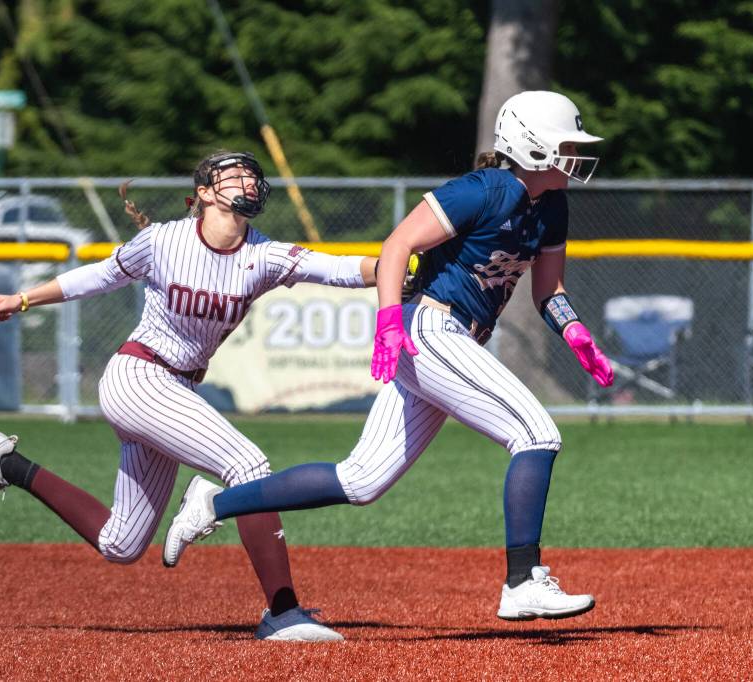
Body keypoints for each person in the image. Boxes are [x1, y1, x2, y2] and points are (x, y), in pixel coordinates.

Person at [164, 91, 615, 622]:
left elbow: (547, 291)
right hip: (429, 326)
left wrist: (575, 331)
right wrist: (387, 323)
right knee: (536, 434)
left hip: (456, 339)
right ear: (532, 146)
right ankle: (522, 581)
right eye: (564, 144)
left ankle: (211, 505)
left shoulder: (553, 206)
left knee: (359, 481)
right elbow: (398, 246)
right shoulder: (485, 189)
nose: (573, 154)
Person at [0, 150, 378, 641]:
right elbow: (98, 275)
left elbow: (340, 268)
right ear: (203, 192)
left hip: (176, 389)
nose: (248, 179)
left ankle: (7, 464)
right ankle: (283, 612)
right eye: (233, 173)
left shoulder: (262, 255)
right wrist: (24, 298)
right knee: (248, 466)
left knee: (121, 543)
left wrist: (401, 262)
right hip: (137, 377)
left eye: (251, 173)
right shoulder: (163, 241)